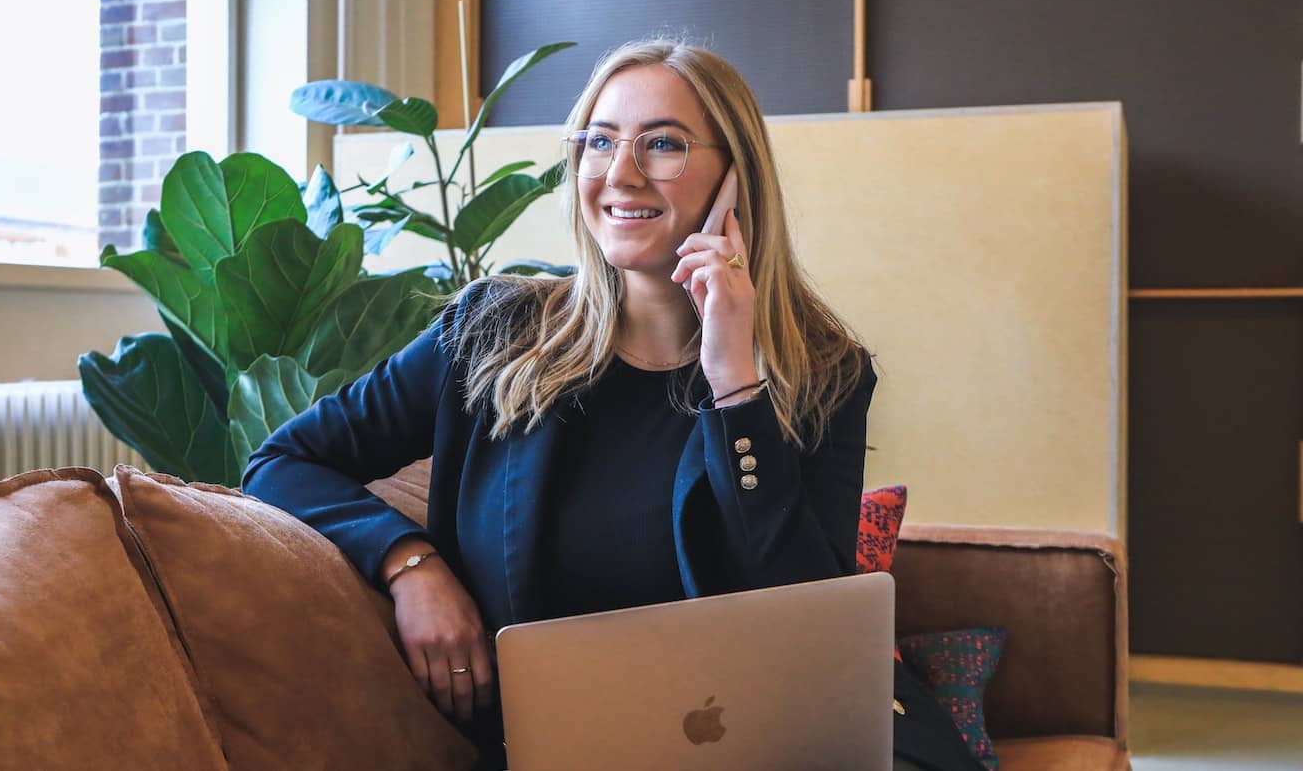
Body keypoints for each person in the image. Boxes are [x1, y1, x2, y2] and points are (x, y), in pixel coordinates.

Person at [242, 38, 983, 771]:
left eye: (662, 144)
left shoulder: (822, 372)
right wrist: (410, 562)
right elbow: (282, 461)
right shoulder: (491, 334)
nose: (620, 173)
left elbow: (810, 627)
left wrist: (736, 385)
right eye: (599, 141)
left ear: (735, 179)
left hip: (780, 748)